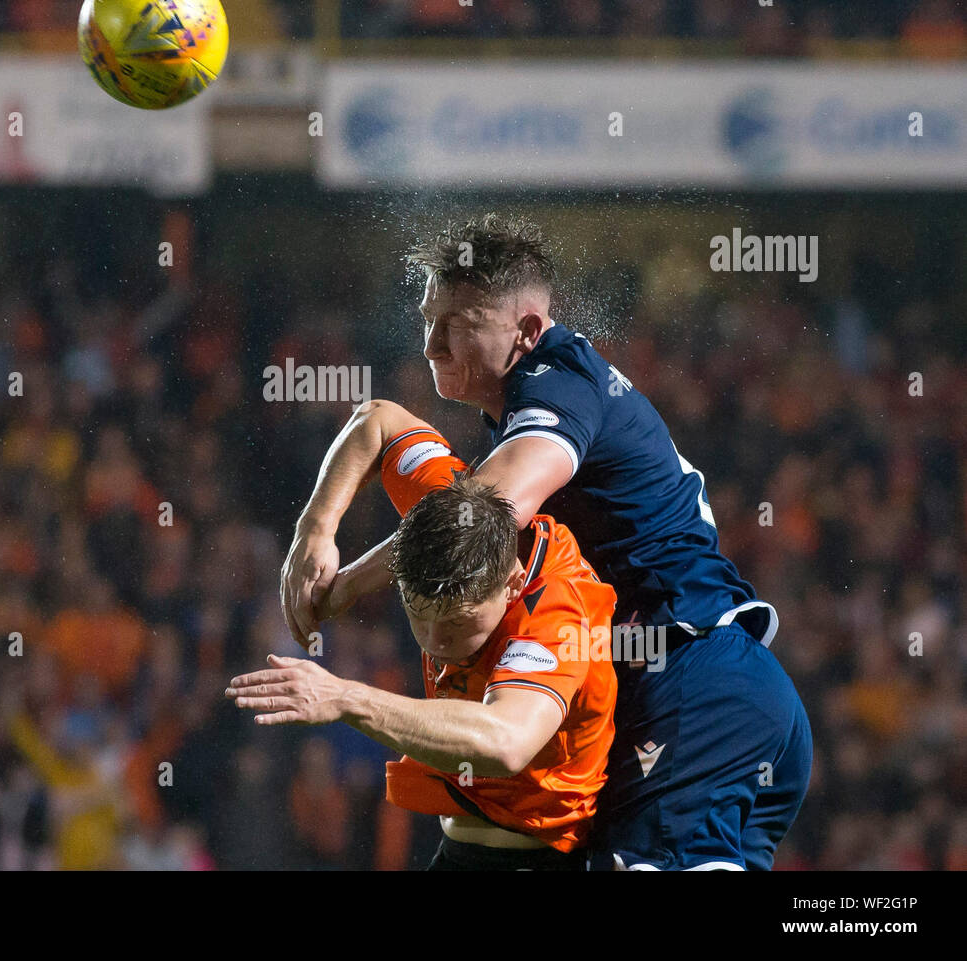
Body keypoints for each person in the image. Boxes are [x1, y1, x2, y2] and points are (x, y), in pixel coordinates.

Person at [280, 214, 812, 871]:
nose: (431, 344)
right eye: (427, 317)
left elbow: (485, 517)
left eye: (457, 324)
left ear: (527, 330)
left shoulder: (556, 392)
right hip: (707, 687)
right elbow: (379, 421)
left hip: (693, 679)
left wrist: (349, 591)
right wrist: (315, 533)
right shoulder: (539, 395)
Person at [229, 401, 616, 870]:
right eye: (418, 614)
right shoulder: (453, 510)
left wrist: (347, 697)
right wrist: (316, 529)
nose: (434, 641)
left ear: (511, 584)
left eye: (457, 623)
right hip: (456, 848)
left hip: (538, 860)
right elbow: (376, 419)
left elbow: (506, 741)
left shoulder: (557, 613)